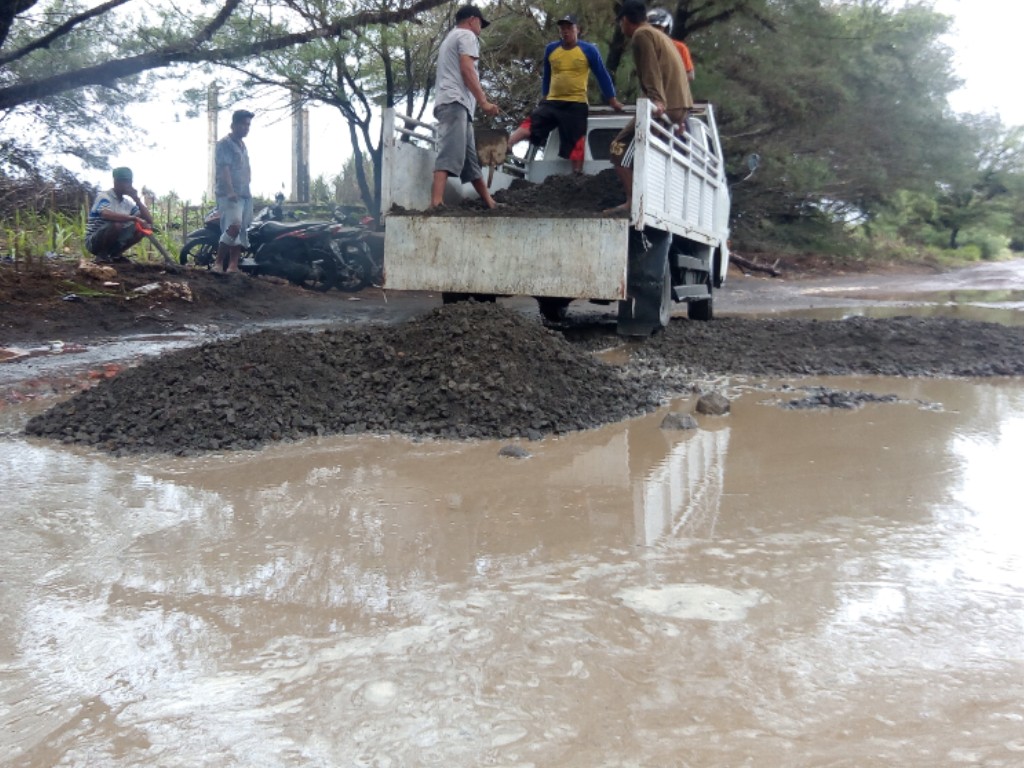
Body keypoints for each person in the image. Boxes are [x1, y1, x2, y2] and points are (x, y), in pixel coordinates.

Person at [507, 13, 624, 174]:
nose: (566, 31)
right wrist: (545, 95)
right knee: (531, 123)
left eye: (569, 28)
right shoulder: (552, 49)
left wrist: (612, 100)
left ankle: (576, 175)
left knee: (576, 141)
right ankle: (506, 145)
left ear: (578, 29)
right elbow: (547, 75)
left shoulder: (589, 50)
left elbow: (602, 75)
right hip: (553, 101)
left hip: (576, 103)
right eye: (562, 28)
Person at [606, 0, 692, 215]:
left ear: (625, 20)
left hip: (665, 105)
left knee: (618, 148)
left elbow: (650, 70)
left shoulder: (641, 35)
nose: (621, 28)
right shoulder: (662, 36)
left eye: (620, 23)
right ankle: (650, 201)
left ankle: (632, 202)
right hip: (680, 106)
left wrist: (656, 100)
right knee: (648, 154)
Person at [430, 5, 502, 209]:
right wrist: (484, 102)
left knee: (471, 162)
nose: (481, 28)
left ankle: (490, 202)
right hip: (455, 103)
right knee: (449, 151)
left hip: (458, 105)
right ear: (472, 20)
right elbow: (467, 69)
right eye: (481, 23)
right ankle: (436, 203)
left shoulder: (451, 38)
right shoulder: (467, 35)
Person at [214, 109, 255, 273]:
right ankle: (218, 263)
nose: (246, 128)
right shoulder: (224, 143)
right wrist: (230, 191)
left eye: (248, 125)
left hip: (245, 193)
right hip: (230, 195)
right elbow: (225, 168)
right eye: (243, 124)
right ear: (233, 125)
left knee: (241, 229)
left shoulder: (243, 145)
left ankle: (233, 266)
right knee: (234, 225)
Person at [84, 167, 154, 264]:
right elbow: (106, 214)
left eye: (130, 182)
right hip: (94, 242)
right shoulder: (105, 196)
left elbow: (149, 220)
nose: (128, 185)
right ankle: (102, 255)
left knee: (141, 229)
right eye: (125, 181)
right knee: (117, 225)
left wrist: (136, 199)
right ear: (116, 181)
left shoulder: (127, 203)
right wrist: (133, 218)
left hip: (113, 242)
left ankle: (116, 254)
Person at [646, 7, 695, 81]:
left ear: (667, 28)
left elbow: (690, 75)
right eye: (651, 27)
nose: (654, 31)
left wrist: (670, 78)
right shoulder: (645, 48)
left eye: (658, 27)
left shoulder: (679, 47)